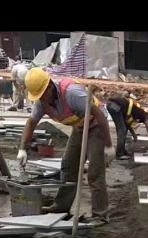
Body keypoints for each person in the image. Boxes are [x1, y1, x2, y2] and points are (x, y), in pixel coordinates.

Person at [17, 68, 114, 224]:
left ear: (49, 86)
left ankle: (100, 215)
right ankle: (61, 207)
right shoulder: (42, 103)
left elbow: (99, 114)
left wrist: (108, 145)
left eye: (42, 95)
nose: (41, 99)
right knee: (68, 166)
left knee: (95, 172)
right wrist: (23, 148)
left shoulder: (71, 93)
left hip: (96, 126)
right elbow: (31, 122)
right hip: (80, 126)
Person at [106, 93, 148, 158]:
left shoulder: (138, 114)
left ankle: (122, 151)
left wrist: (134, 134)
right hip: (114, 105)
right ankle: (119, 154)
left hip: (113, 105)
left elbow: (127, 123)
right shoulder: (144, 115)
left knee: (123, 129)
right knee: (122, 130)